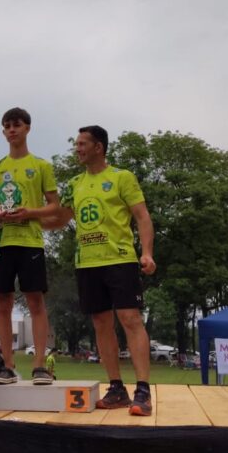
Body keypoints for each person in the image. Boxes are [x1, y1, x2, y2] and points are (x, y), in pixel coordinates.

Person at [56, 125, 156, 416]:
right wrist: (23, 217)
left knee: (130, 318)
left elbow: (142, 216)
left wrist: (147, 253)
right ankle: (116, 388)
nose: (77, 149)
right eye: (76, 144)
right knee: (100, 323)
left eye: (82, 144)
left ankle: (143, 391)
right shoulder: (74, 183)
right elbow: (59, 219)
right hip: (87, 262)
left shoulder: (122, 177)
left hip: (120, 259)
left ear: (98, 147)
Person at [0, 107, 60, 385]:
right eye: (7, 126)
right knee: (2, 301)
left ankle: (40, 364)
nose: (12, 130)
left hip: (30, 241)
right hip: (2, 241)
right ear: (3, 131)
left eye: (17, 125)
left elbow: (54, 206)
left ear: (28, 128)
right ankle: (7, 366)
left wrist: (29, 212)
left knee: (35, 301)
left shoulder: (41, 166)